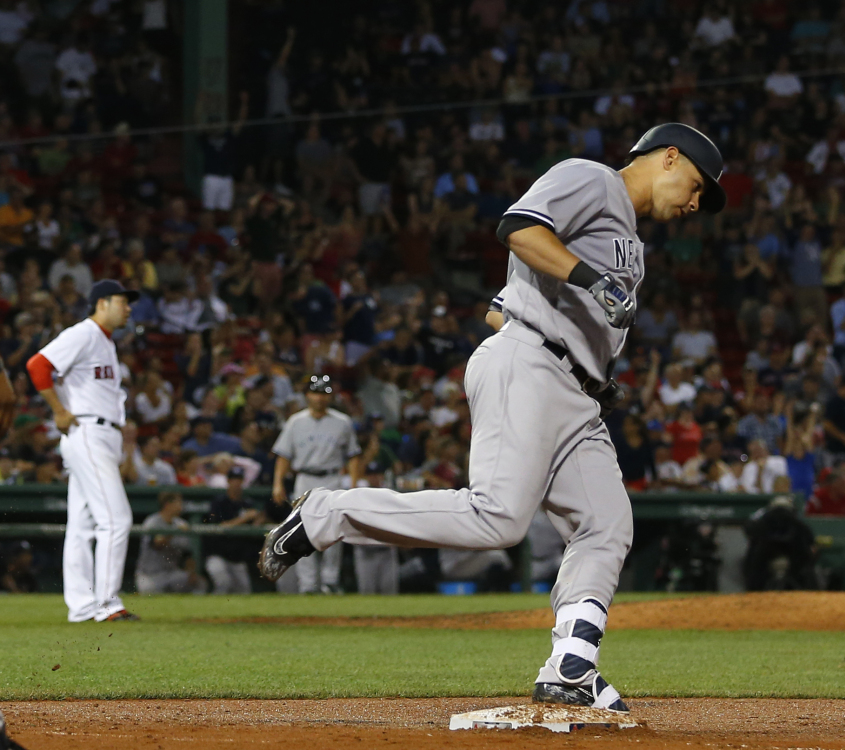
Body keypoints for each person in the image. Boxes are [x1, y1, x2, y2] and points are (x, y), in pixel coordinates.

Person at [259, 123, 727, 713]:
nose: (695, 203)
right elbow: (517, 229)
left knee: (607, 525)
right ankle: (328, 513)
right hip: (530, 365)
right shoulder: (593, 179)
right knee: (498, 520)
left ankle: (572, 666)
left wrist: (592, 373)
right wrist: (581, 293)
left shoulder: (629, 236)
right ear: (669, 156)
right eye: (696, 187)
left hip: (572, 391)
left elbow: (495, 310)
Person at [26, 279, 141, 623]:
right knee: (117, 519)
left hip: (98, 433)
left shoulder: (104, 342)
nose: (128, 308)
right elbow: (37, 365)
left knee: (81, 523)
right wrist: (58, 410)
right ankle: (107, 603)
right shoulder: (85, 333)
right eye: (122, 301)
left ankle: (81, 606)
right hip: (87, 431)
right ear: (102, 303)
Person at [270, 375, 362, 594]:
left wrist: (354, 484)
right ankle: (308, 584)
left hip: (332, 478)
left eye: (324, 393)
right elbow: (283, 456)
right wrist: (277, 483)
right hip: (304, 478)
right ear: (307, 395)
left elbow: (353, 456)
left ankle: (330, 581)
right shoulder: (295, 421)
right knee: (301, 531)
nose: (320, 398)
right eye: (316, 392)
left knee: (334, 529)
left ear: (329, 396)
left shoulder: (342, 421)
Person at [203, 466, 262, 594]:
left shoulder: (247, 503)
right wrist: (244, 518)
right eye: (234, 479)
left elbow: (255, 527)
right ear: (228, 481)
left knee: (245, 592)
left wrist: (258, 519)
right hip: (218, 555)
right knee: (223, 584)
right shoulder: (219, 502)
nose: (236, 483)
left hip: (238, 558)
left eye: (239, 479)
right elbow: (220, 527)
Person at [135, 492, 207, 594]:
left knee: (199, 584)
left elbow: (187, 555)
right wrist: (174, 531)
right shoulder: (152, 522)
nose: (181, 506)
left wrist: (191, 573)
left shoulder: (181, 524)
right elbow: (157, 544)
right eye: (178, 503)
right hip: (149, 576)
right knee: (149, 591)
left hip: (172, 574)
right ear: (167, 505)